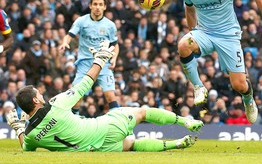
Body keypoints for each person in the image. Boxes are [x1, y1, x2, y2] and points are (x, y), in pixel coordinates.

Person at [6, 41, 203, 152]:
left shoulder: (31, 133)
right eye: (38, 94)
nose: (42, 95)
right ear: (35, 100)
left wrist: (18, 128)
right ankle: (184, 121)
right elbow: (85, 83)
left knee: (132, 145)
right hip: (104, 127)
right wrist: (100, 60)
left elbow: (25, 147)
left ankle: (176, 144)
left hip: (95, 150)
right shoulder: (56, 104)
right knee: (142, 112)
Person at [59, 0, 120, 110]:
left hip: (103, 63)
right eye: (95, 4)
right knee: (77, 97)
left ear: (105, 7)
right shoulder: (81, 21)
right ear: (90, 6)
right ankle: (74, 123)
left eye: (100, 4)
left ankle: (118, 123)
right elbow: (69, 35)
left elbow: (115, 45)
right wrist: (65, 42)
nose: (98, 7)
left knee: (110, 96)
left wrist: (114, 58)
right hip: (85, 63)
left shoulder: (110, 25)